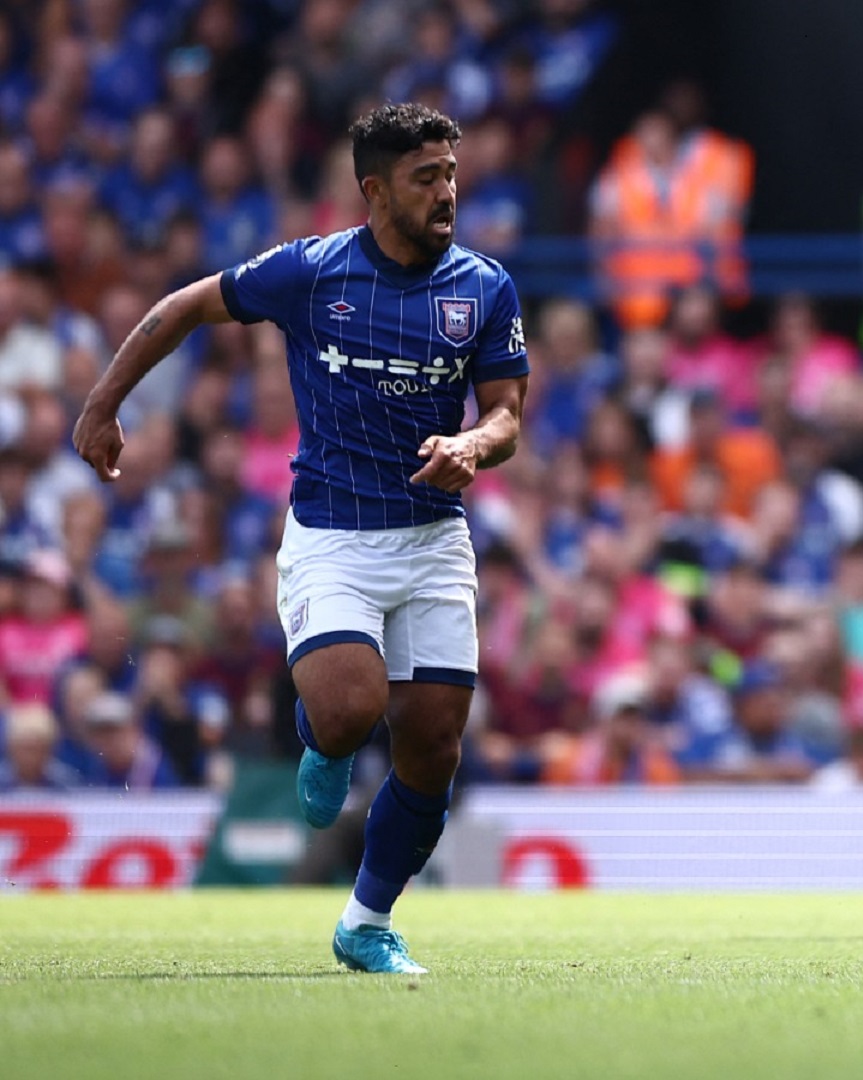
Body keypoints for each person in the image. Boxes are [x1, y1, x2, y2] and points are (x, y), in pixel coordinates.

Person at [71, 103, 529, 974]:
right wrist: (103, 404)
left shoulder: (484, 287)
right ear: (374, 190)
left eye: (452, 175)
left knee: (434, 746)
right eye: (425, 178)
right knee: (353, 709)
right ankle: (321, 738)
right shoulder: (312, 272)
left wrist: (472, 443)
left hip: (434, 537)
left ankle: (365, 922)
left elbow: (508, 412)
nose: (447, 194)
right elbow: (183, 307)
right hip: (334, 535)